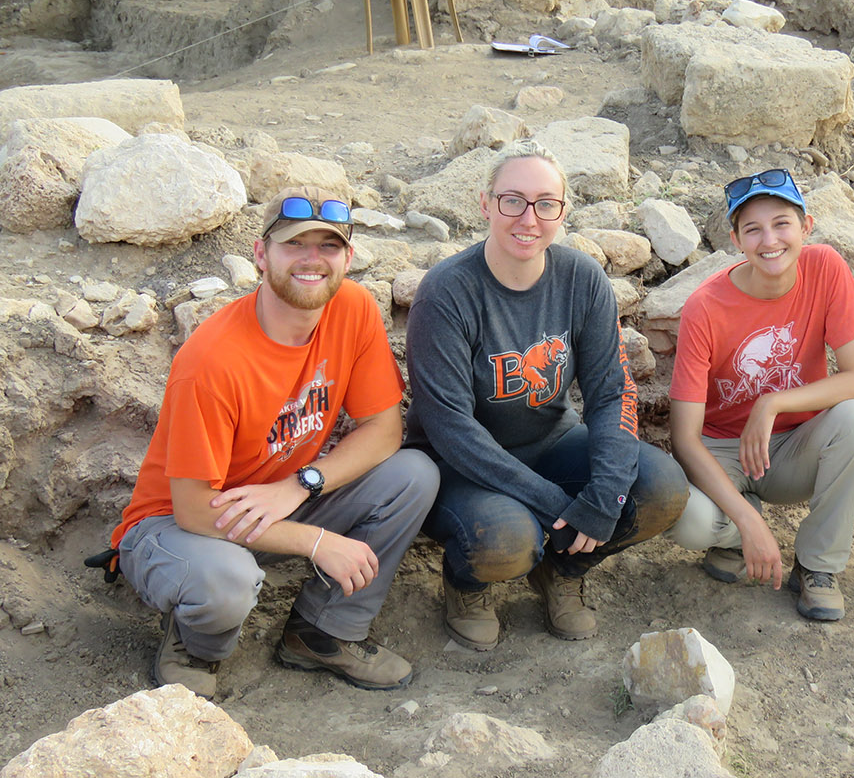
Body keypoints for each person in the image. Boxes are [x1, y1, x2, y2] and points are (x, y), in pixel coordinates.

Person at [109, 186, 440, 698]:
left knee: (414, 475)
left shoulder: (351, 308)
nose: (313, 260)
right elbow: (196, 511)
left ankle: (323, 633)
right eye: (294, 245)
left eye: (328, 247)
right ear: (262, 255)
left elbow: (385, 429)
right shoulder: (212, 361)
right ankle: (197, 647)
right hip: (181, 526)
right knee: (228, 580)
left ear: (348, 257)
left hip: (281, 499)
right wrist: (317, 541)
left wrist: (301, 484)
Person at [405, 139, 688, 651]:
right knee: (511, 538)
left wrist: (604, 495)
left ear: (562, 212)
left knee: (660, 488)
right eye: (512, 200)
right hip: (458, 467)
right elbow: (450, 428)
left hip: (551, 442)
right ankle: (468, 585)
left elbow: (611, 391)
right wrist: (556, 505)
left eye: (545, 204)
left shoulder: (582, 279)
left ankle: (563, 569)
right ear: (487, 204)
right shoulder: (446, 293)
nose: (527, 218)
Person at [667, 169, 854, 621]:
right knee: (688, 520)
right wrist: (751, 525)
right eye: (753, 229)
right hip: (722, 450)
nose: (770, 240)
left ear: (806, 227)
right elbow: (684, 439)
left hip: (791, 448)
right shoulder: (704, 307)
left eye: (782, 223)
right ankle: (737, 530)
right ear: (735, 240)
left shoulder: (825, 268)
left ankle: (816, 567)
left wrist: (772, 402)